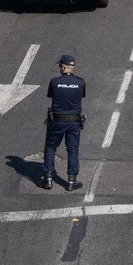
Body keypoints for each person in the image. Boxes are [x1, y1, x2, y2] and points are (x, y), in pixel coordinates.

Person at [39, 54, 86, 191]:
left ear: (64, 67)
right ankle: (72, 180)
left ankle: (47, 179)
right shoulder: (81, 82)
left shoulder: (54, 82)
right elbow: (81, 96)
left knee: (51, 147)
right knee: (72, 149)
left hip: (57, 121)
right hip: (74, 122)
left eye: (60, 66)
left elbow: (51, 95)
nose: (59, 68)